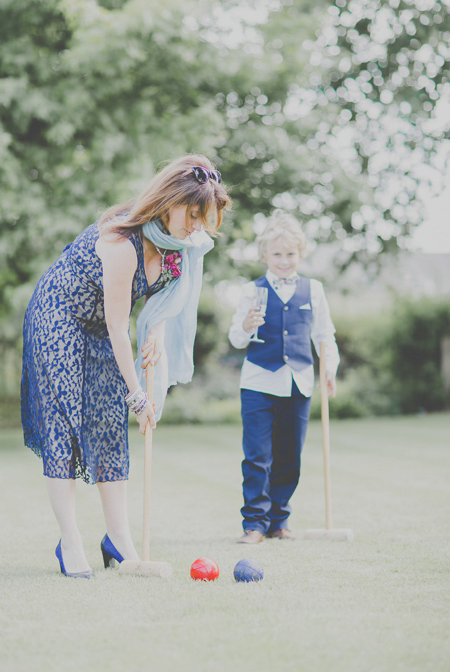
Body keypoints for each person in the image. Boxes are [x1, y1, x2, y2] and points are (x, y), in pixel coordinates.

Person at [21, 154, 231, 577]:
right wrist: (137, 396)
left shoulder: (177, 249)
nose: (196, 227)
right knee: (64, 422)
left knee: (107, 426)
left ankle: (118, 540)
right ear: (169, 201)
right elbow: (120, 328)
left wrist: (155, 333)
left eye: (203, 219)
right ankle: (70, 541)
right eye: (192, 215)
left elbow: (163, 302)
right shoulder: (121, 243)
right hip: (59, 315)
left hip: (101, 326)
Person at [229, 210, 339, 544]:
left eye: (290, 254)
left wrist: (329, 368)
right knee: (258, 456)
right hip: (259, 382)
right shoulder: (251, 290)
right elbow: (235, 338)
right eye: (277, 254)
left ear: (300, 254)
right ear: (264, 255)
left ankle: (280, 522)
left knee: (290, 456)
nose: (284, 260)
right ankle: (255, 524)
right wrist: (247, 325)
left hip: (300, 381)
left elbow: (325, 335)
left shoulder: (313, 289)